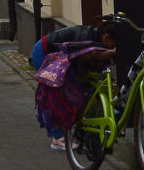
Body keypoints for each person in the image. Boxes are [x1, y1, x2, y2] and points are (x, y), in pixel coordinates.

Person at [31, 22, 116, 151]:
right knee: (56, 93)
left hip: (63, 59)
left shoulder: (96, 38)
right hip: (44, 52)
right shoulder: (85, 37)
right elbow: (88, 58)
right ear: (105, 37)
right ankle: (58, 138)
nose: (113, 47)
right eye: (113, 44)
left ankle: (72, 132)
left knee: (76, 91)